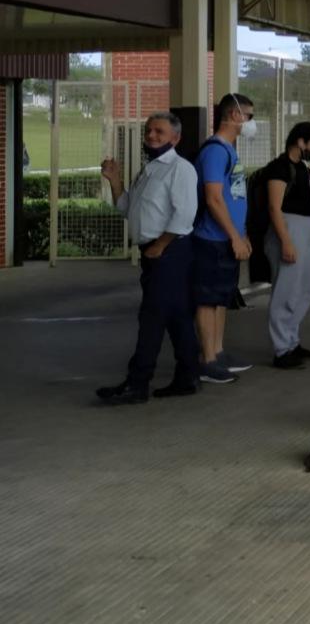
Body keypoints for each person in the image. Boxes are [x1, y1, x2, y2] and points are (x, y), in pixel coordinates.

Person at [94, 112, 202, 405]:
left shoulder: (180, 169)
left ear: (175, 138)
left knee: (152, 317)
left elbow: (185, 215)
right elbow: (127, 208)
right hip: (156, 251)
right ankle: (188, 376)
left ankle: (137, 383)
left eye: (160, 131)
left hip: (170, 252)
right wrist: (114, 180)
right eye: (149, 130)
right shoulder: (150, 168)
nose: (152, 135)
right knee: (178, 317)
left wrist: (161, 246)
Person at [191, 92, 256, 384]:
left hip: (228, 238)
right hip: (212, 239)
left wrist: (241, 235)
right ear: (234, 115)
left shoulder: (229, 149)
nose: (251, 123)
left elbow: (234, 197)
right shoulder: (216, 151)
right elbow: (214, 199)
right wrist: (233, 236)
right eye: (249, 116)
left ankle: (217, 352)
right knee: (207, 299)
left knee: (220, 299)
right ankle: (206, 359)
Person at [263, 122, 310, 370]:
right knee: (286, 290)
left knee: (304, 289)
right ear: (299, 142)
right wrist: (286, 241)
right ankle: (281, 349)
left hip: (307, 226)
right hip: (288, 228)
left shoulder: (303, 168)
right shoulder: (280, 168)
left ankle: (292, 340)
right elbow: (273, 207)